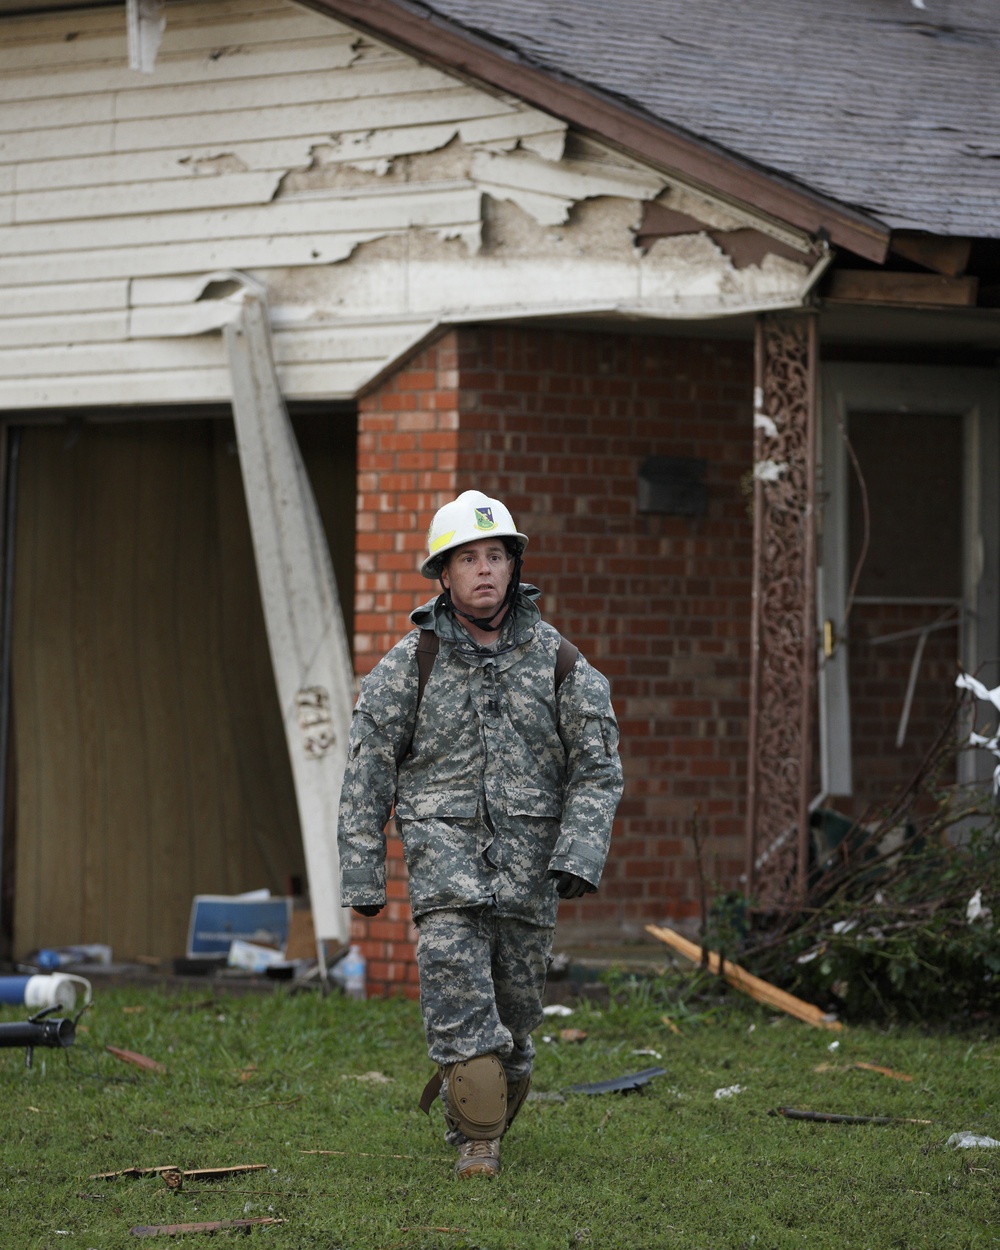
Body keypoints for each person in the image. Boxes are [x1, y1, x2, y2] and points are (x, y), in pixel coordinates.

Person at [337, 489, 623, 1179]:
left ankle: (484, 1115)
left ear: (514, 565)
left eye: (497, 555)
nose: (485, 570)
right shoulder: (412, 665)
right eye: (469, 559)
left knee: (516, 1030)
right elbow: (367, 773)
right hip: (444, 875)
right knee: (464, 1015)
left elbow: (598, 766)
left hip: (529, 879)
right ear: (445, 574)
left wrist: (579, 851)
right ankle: (478, 1147)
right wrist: (363, 874)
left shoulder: (559, 661)